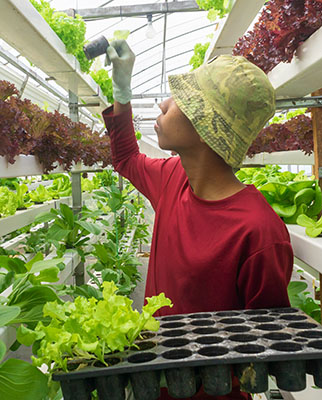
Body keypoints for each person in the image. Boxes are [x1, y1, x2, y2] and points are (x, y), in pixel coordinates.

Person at [103, 40, 293, 400]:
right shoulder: (173, 177)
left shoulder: (258, 231)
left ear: (205, 125)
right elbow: (126, 158)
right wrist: (121, 91)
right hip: (155, 381)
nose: (163, 103)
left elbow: (265, 344)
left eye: (179, 100)